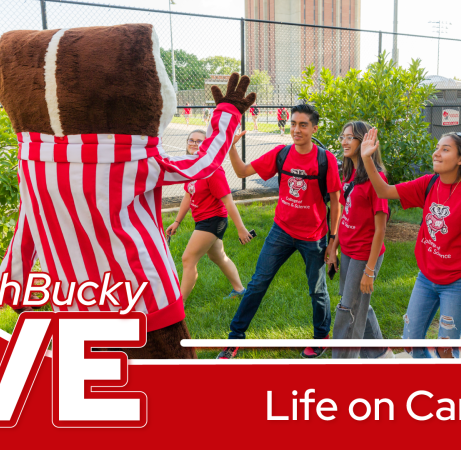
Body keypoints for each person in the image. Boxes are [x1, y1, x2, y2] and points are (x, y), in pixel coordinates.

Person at [359, 128, 461, 358]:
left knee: (445, 351)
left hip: (458, 283)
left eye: (445, 149)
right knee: (411, 342)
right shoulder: (429, 184)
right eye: (437, 148)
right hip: (426, 278)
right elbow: (383, 191)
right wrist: (366, 158)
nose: (437, 153)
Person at [217, 103, 341, 359]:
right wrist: (230, 147)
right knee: (257, 284)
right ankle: (235, 338)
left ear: (314, 128)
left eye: (303, 125)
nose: (296, 129)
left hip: (314, 236)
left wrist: (332, 243)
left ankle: (321, 337)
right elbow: (241, 171)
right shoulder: (281, 154)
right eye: (293, 124)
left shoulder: (324, 159)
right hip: (281, 232)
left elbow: (336, 201)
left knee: (317, 290)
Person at [166, 130, 254, 302]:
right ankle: (240, 290)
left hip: (213, 220)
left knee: (188, 259)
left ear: (208, 145)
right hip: (202, 219)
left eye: (199, 141)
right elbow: (188, 195)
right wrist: (177, 221)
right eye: (191, 140)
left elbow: (229, 201)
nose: (194, 143)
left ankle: (178, 305)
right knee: (217, 256)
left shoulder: (212, 171)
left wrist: (241, 229)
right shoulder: (193, 167)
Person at [329, 121, 392, 359]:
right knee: (357, 304)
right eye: (343, 136)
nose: (344, 142)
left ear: (364, 142)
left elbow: (380, 230)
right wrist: (333, 246)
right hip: (347, 250)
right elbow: (344, 212)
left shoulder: (376, 179)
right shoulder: (349, 174)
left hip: (364, 254)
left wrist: (369, 270)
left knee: (348, 309)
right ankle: (381, 355)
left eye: (350, 137)